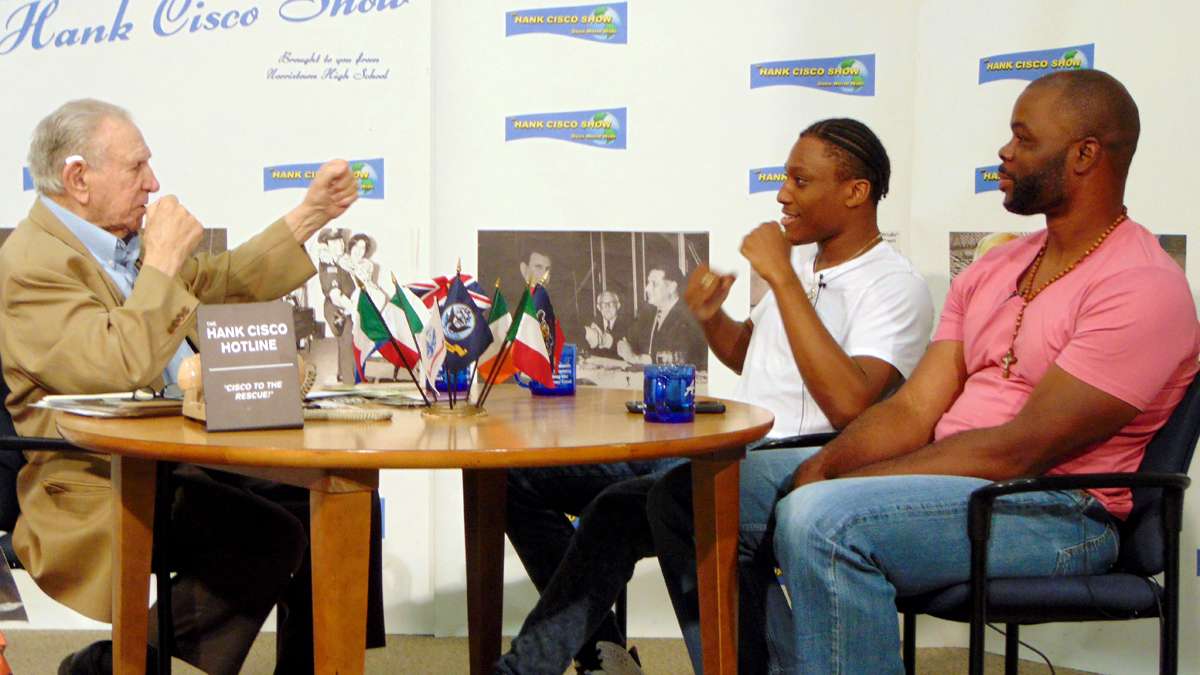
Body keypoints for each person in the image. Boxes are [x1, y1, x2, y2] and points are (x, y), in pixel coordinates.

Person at [652, 69, 1199, 674]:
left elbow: (1021, 450)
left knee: (823, 519)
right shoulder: (996, 268)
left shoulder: (1142, 286)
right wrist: (829, 464)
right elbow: (915, 410)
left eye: (1023, 138)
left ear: (1084, 155)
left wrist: (835, 479)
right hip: (957, 483)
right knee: (694, 495)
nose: (1005, 152)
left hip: (1059, 512)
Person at [495, 118, 933, 675]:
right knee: (523, 478)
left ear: (855, 192)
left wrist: (781, 278)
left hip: (809, 460)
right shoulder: (804, 272)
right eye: (784, 179)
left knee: (666, 501)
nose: (782, 194)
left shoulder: (893, 285)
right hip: (732, 449)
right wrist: (710, 318)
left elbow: (852, 404)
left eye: (800, 181)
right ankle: (595, 658)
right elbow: (754, 352)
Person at [0, 99, 361, 675]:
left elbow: (221, 284)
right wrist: (162, 262)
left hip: (175, 456)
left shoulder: (119, 242)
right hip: (97, 477)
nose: (154, 183)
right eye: (137, 167)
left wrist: (310, 215)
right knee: (268, 537)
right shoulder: (29, 265)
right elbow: (118, 366)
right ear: (78, 178)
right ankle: (121, 664)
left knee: (333, 495)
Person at [616, 265, 705, 366]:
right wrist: (622, 346)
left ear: (672, 287)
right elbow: (628, 339)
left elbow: (684, 356)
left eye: (654, 284)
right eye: (648, 283)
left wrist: (638, 358)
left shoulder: (690, 316)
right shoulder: (647, 312)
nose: (646, 289)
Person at [583, 290, 629, 359]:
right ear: (598, 307)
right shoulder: (591, 325)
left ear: (618, 305)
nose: (607, 307)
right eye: (603, 304)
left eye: (611, 303)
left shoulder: (629, 325)